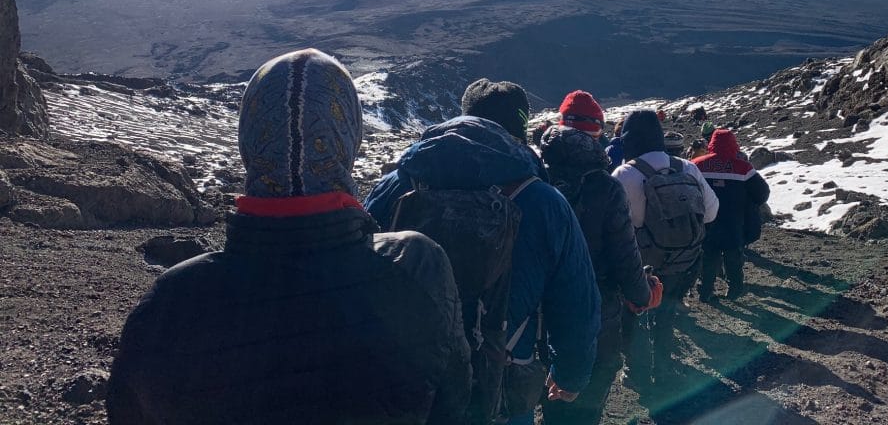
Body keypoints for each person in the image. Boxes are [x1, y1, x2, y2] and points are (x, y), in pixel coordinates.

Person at [106, 49, 472, 425]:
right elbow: (454, 403)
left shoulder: (172, 302)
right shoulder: (415, 267)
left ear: (249, 141)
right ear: (348, 139)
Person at [365, 115, 601, 425]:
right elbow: (577, 299)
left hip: (411, 380)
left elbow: (357, 268)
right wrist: (572, 374)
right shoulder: (542, 199)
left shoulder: (396, 186)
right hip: (503, 379)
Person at [538, 124, 657, 425]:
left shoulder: (537, 183)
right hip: (598, 312)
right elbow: (625, 257)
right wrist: (642, 294)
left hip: (541, 314)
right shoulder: (606, 188)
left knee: (547, 396)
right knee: (588, 402)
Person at [611, 110, 718, 390]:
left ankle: (638, 373)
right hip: (684, 262)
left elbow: (615, 225)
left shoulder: (625, 174)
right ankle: (665, 367)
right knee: (666, 317)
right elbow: (710, 212)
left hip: (644, 266)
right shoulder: (687, 168)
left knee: (634, 319)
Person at [693, 128, 771, 301]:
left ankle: (706, 291)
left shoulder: (697, 165)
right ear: (734, 144)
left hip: (707, 221)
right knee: (734, 257)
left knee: (708, 256)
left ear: (711, 143)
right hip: (734, 221)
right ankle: (735, 289)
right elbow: (762, 193)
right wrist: (749, 205)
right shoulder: (743, 168)